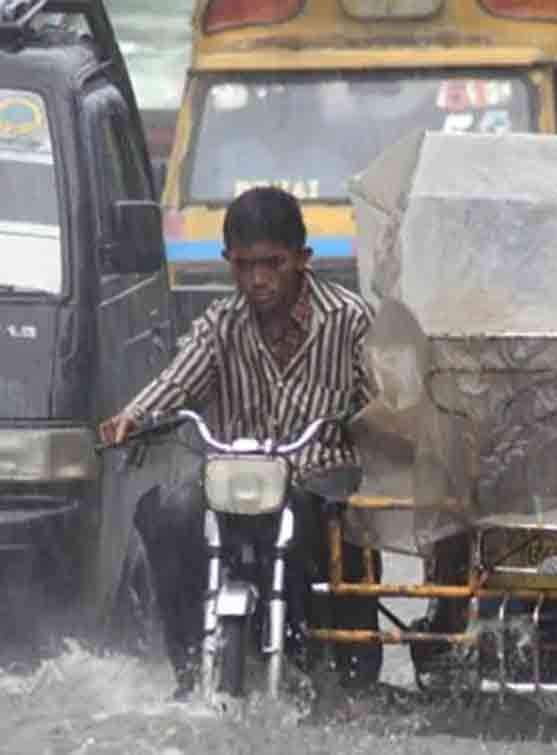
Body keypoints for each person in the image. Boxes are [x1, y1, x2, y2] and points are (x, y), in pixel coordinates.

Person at [98, 186, 381, 699]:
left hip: (318, 482)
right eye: (244, 265)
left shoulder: (350, 318)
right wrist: (133, 416)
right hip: (232, 479)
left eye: (272, 264)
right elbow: (178, 379)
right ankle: (188, 670)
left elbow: (383, 400)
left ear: (302, 259)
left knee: (344, 530)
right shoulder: (220, 324)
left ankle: (339, 667)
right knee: (169, 513)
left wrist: (377, 421)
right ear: (228, 262)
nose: (258, 280)